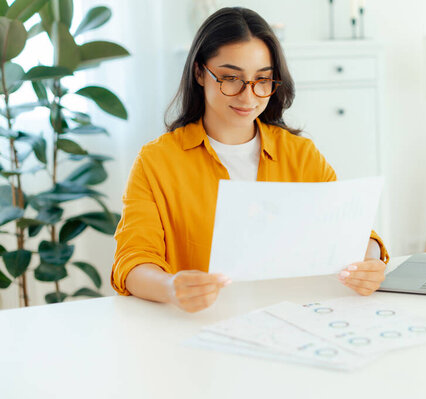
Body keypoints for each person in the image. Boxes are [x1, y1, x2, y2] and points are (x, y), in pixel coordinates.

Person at [111, 7, 389, 313]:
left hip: (294, 318)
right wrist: (171, 287)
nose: (248, 97)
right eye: (231, 78)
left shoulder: (300, 154)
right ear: (200, 72)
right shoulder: (157, 161)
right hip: (201, 326)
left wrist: (370, 262)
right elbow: (133, 261)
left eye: (263, 80)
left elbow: (353, 233)